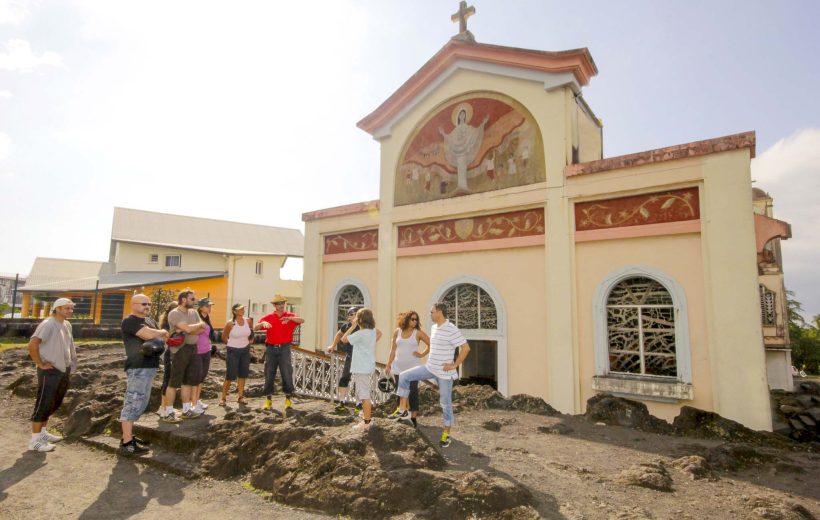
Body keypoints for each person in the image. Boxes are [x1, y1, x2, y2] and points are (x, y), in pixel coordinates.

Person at [392, 302, 470, 448]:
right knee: (404, 376)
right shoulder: (434, 327)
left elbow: (466, 348)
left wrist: (454, 365)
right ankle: (403, 411)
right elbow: (432, 346)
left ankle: (446, 435)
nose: (430, 314)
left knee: (445, 404)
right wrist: (422, 354)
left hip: (444, 374)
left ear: (439, 312)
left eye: (432, 312)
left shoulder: (451, 329)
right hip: (430, 368)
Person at [119, 294, 168, 456]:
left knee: (141, 401)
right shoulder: (130, 321)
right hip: (138, 367)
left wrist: (158, 333)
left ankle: (128, 436)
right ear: (133, 305)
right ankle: (126, 443)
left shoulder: (150, 321)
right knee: (133, 401)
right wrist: (161, 332)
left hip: (149, 366)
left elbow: (161, 338)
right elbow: (148, 335)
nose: (147, 306)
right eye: (143, 304)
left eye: (149, 304)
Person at [26, 297, 77, 452]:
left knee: (54, 402)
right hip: (50, 370)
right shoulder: (48, 324)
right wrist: (40, 363)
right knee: (44, 402)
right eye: (67, 308)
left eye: (71, 308)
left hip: (63, 368)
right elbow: (33, 343)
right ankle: (35, 441)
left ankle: (42, 433)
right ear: (57, 309)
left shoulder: (66, 324)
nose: (70, 311)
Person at [255, 294, 304, 410]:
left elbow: (302, 320)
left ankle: (288, 399)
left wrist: (290, 319)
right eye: (279, 304)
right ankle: (268, 400)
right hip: (271, 348)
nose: (281, 305)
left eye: (283, 303)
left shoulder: (290, 316)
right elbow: (255, 327)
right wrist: (262, 324)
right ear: (275, 305)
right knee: (269, 372)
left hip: (285, 348)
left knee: (286, 372)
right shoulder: (268, 317)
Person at [164, 290, 206, 420]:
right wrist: (193, 327)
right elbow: (189, 329)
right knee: (174, 381)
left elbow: (202, 329)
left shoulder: (193, 312)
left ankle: (186, 409)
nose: (195, 302)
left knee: (188, 381)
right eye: (192, 299)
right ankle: (168, 412)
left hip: (193, 348)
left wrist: (188, 328)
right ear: (183, 299)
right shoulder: (175, 313)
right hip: (180, 350)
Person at [385, 310, 430, 427]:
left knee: (412, 392)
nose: (415, 321)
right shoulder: (397, 332)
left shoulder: (418, 333)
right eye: (412, 319)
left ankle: (413, 417)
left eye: (416, 320)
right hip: (398, 367)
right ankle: (401, 413)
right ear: (406, 319)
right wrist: (388, 364)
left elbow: (431, 344)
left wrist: (421, 354)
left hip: (413, 368)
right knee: (399, 391)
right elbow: (393, 350)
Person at [341, 308, 381, 431]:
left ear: (360, 320)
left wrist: (353, 326)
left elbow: (344, 339)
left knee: (364, 395)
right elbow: (380, 333)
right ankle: (365, 417)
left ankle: (367, 422)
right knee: (363, 393)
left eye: (357, 317)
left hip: (361, 367)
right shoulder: (372, 331)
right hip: (367, 365)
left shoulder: (360, 333)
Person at [325, 306, 359, 413]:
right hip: (349, 356)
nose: (352, 316)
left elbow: (376, 334)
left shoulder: (364, 326)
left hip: (360, 358)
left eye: (354, 313)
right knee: (344, 379)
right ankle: (342, 402)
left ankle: (359, 405)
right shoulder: (347, 326)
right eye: (350, 314)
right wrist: (333, 345)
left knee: (359, 381)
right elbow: (339, 334)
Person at [220, 303, 252, 406]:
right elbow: (224, 337)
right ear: (234, 311)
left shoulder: (248, 321)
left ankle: (240, 397)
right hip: (233, 350)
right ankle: (223, 398)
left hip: (245, 350)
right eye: (240, 309)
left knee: (243, 374)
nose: (242, 310)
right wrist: (231, 344)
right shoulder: (230, 323)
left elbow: (251, 332)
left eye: (243, 308)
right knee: (230, 375)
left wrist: (251, 340)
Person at [156, 301, 180, 421]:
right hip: (169, 354)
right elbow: (170, 341)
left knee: (171, 379)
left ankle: (166, 406)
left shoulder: (172, 324)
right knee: (168, 379)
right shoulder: (167, 326)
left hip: (174, 354)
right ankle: (163, 407)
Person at [192, 297, 216, 414]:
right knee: (196, 376)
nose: (210, 308)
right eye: (207, 306)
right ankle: (193, 402)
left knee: (202, 376)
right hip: (197, 350)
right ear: (201, 307)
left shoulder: (207, 318)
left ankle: (197, 399)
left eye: (210, 306)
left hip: (206, 350)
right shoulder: (196, 318)